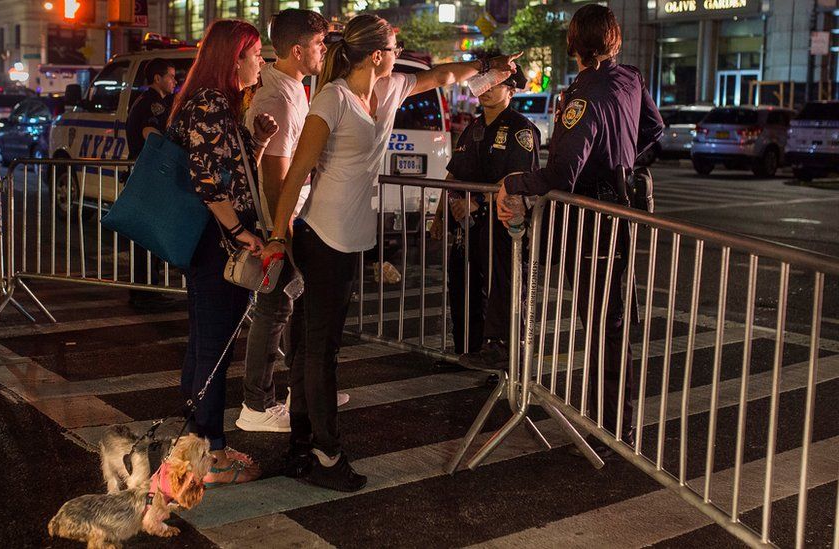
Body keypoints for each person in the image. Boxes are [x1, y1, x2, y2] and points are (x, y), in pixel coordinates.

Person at [263, 13, 520, 491]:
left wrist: (487, 64)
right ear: (376, 54)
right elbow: (297, 171)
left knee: (311, 348)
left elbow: (444, 76)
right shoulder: (332, 98)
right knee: (319, 351)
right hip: (320, 237)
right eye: (394, 43)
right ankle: (325, 454)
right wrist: (279, 237)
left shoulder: (390, 88)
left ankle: (301, 448)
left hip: (349, 238)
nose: (400, 49)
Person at [497, 4, 663, 457]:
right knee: (614, 324)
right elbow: (654, 128)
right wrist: (623, 163)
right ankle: (615, 425)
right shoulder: (630, 78)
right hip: (621, 213)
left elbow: (561, 175)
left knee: (603, 326)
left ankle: (608, 432)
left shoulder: (583, 94)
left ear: (574, 42)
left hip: (591, 221)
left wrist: (513, 182)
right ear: (613, 39)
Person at [165, 19, 279, 486]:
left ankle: (191, 443)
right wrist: (239, 232)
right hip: (217, 245)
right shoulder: (211, 103)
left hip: (211, 242)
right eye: (256, 54)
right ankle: (209, 454)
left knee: (204, 342)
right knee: (214, 347)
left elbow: (227, 169)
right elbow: (208, 180)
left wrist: (258, 142)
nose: (263, 63)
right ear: (235, 58)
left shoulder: (214, 103)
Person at [237, 9, 353, 434]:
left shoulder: (292, 88)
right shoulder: (279, 99)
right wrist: (278, 235)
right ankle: (257, 403)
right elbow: (276, 178)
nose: (325, 51)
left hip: (294, 219)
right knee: (274, 308)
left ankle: (301, 389)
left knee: (291, 305)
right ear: (298, 49)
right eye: (320, 45)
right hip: (282, 224)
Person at [429, 64, 539, 363]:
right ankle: (468, 348)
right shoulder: (473, 128)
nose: (487, 90)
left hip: (501, 224)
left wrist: (479, 201)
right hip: (467, 226)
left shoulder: (520, 128)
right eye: (484, 84)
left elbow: (520, 179)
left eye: (496, 84)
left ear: (511, 90)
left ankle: (504, 350)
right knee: (463, 286)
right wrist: (439, 216)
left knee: (502, 288)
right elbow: (453, 175)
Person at [126, 58, 179, 312]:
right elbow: (150, 133)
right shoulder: (151, 104)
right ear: (157, 79)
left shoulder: (160, 101)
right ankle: (145, 291)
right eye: (170, 76)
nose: (175, 80)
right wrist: (175, 154)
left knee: (149, 234)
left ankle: (147, 289)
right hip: (148, 175)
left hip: (150, 175)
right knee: (147, 235)